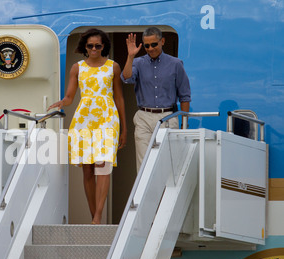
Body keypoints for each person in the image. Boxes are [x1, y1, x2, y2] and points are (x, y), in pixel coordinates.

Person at [48, 28, 127, 224]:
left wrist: (124, 128)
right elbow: (69, 96)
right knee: (87, 170)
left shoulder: (113, 67)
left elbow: (119, 97)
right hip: (83, 121)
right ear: (85, 46)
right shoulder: (77, 67)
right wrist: (61, 103)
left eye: (97, 46)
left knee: (103, 166)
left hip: (108, 119)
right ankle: (95, 217)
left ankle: (98, 216)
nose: (93, 49)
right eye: (90, 45)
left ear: (103, 47)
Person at [121, 27, 191, 172]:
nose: (151, 48)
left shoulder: (176, 64)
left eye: (154, 44)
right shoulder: (138, 63)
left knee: (168, 162)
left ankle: (165, 195)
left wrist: (184, 124)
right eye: (147, 46)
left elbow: (185, 95)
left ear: (162, 41)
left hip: (168, 116)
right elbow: (126, 78)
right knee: (143, 164)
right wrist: (130, 56)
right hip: (144, 117)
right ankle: (144, 195)